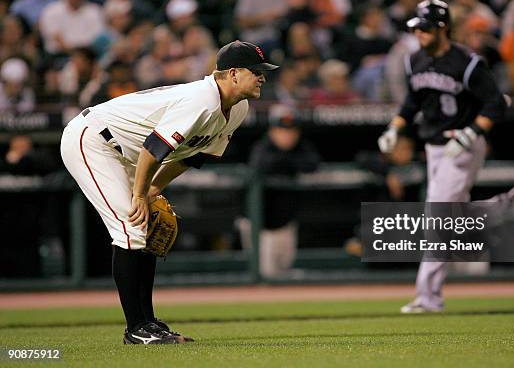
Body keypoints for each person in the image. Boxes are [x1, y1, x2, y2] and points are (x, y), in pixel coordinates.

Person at [60, 40, 279, 344]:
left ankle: (149, 324)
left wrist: (154, 188)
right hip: (93, 140)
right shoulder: (201, 99)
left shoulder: (238, 108)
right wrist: (140, 195)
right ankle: (135, 329)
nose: (262, 77)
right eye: (255, 71)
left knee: (147, 229)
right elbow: (154, 149)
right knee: (131, 225)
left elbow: (194, 156)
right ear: (232, 73)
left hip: (129, 155)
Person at [377, 0, 508, 313]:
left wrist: (472, 133)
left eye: (425, 27)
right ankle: (510, 206)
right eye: (417, 28)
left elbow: (497, 103)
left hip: (462, 145)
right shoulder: (415, 61)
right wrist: (395, 128)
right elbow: (412, 103)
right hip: (434, 147)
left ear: (443, 28)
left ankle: (428, 297)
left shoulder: (467, 62)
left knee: (437, 218)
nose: (420, 33)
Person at [240, 105, 321, 278]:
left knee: (284, 274)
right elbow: (264, 164)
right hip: (259, 227)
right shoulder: (262, 147)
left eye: (291, 131)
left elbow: (312, 164)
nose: (287, 135)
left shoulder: (302, 147)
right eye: (282, 130)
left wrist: (287, 162)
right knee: (266, 275)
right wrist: (290, 163)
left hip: (286, 224)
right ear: (272, 131)